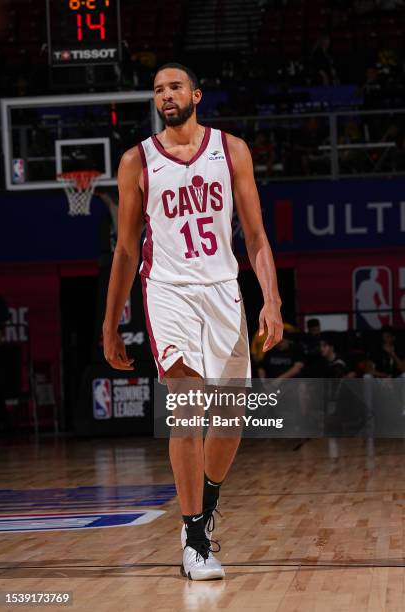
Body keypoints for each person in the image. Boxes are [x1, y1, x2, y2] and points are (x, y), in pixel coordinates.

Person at [102, 63, 283, 581]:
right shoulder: (137, 160)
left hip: (224, 290)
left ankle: (201, 508)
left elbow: (256, 236)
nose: (166, 95)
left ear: (196, 94)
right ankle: (196, 540)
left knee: (228, 418)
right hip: (167, 290)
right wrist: (110, 324)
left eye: (175, 86)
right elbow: (124, 249)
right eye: (158, 89)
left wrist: (270, 300)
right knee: (186, 402)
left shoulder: (232, 150)